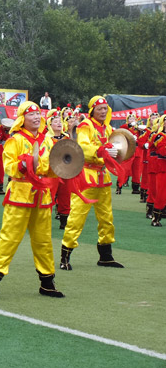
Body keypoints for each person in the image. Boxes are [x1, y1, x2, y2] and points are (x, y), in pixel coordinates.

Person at [0, 101, 64, 301]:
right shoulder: (15, 139)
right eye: (31, 115)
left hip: (42, 196)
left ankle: (47, 282)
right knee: (9, 239)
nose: (36, 118)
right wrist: (25, 163)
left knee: (43, 240)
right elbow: (9, 166)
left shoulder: (47, 140)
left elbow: (52, 166)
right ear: (22, 119)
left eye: (38, 114)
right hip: (20, 194)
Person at [60, 96, 124, 270]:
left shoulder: (109, 128)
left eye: (105, 108)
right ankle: (65, 255)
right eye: (100, 109)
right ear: (92, 111)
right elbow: (83, 147)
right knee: (76, 218)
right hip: (86, 177)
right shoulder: (85, 126)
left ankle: (106, 255)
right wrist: (102, 150)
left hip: (103, 177)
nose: (103, 111)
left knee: (107, 218)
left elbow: (117, 148)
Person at [46, 108, 71, 229]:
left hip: (65, 170)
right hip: (51, 171)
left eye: (60, 121)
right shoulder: (46, 139)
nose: (59, 123)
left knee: (65, 195)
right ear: (49, 125)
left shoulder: (67, 138)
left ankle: (64, 221)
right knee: (49, 195)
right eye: (56, 122)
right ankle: (44, 219)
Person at [150, 113, 166, 226]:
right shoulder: (160, 136)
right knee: (161, 194)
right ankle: (156, 218)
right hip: (163, 168)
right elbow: (162, 152)